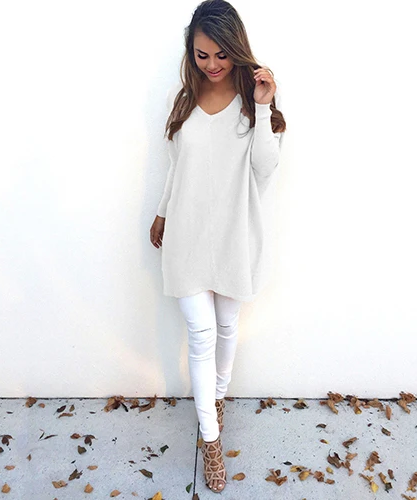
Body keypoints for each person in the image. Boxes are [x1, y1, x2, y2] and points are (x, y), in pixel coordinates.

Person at [149, 0, 286, 493]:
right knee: (201, 334)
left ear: (236, 48)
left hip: (233, 236)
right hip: (185, 235)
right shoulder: (182, 99)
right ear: (191, 53)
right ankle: (211, 440)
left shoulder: (253, 103)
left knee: (227, 327)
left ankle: (218, 399)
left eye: (221, 54)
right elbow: (176, 165)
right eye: (202, 55)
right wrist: (162, 211)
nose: (212, 64)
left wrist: (265, 105)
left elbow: (265, 169)